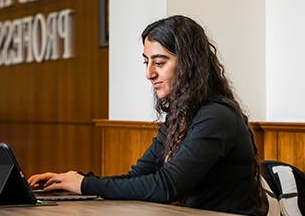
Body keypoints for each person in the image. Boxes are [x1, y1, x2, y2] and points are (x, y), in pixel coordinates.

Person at [28, 15, 268, 215]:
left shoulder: (217, 116)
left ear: (188, 65)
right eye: (146, 62)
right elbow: (138, 177)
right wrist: (74, 181)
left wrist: (84, 184)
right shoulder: (180, 116)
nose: (150, 73)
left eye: (160, 62)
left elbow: (167, 186)